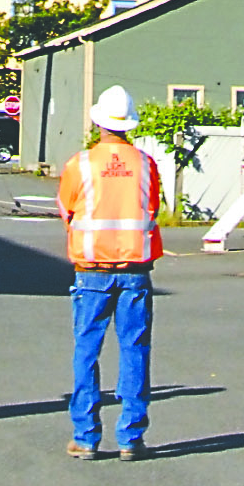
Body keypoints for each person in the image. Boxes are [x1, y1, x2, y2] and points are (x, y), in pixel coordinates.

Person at [56, 84, 162, 461]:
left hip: (91, 269)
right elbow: (152, 209)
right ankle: (131, 437)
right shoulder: (146, 164)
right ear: (129, 124)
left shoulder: (79, 164)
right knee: (135, 349)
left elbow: (67, 211)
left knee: (87, 350)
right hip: (136, 268)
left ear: (98, 122)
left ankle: (85, 436)